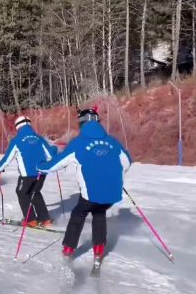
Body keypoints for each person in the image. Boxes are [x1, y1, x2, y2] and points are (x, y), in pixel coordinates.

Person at [37, 107, 130, 274]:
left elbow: (56, 164)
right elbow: (127, 161)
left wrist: (40, 166)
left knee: (79, 214)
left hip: (91, 193)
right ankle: (99, 251)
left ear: (82, 123)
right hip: (111, 192)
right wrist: (113, 174)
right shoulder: (112, 141)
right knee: (99, 213)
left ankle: (68, 250)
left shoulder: (78, 143)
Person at [0, 116, 57, 227]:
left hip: (27, 175)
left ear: (18, 127)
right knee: (35, 193)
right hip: (41, 173)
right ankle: (45, 219)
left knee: (22, 193)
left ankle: (31, 220)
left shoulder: (17, 140)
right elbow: (51, 155)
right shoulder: (39, 138)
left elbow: (7, 158)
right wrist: (55, 150)